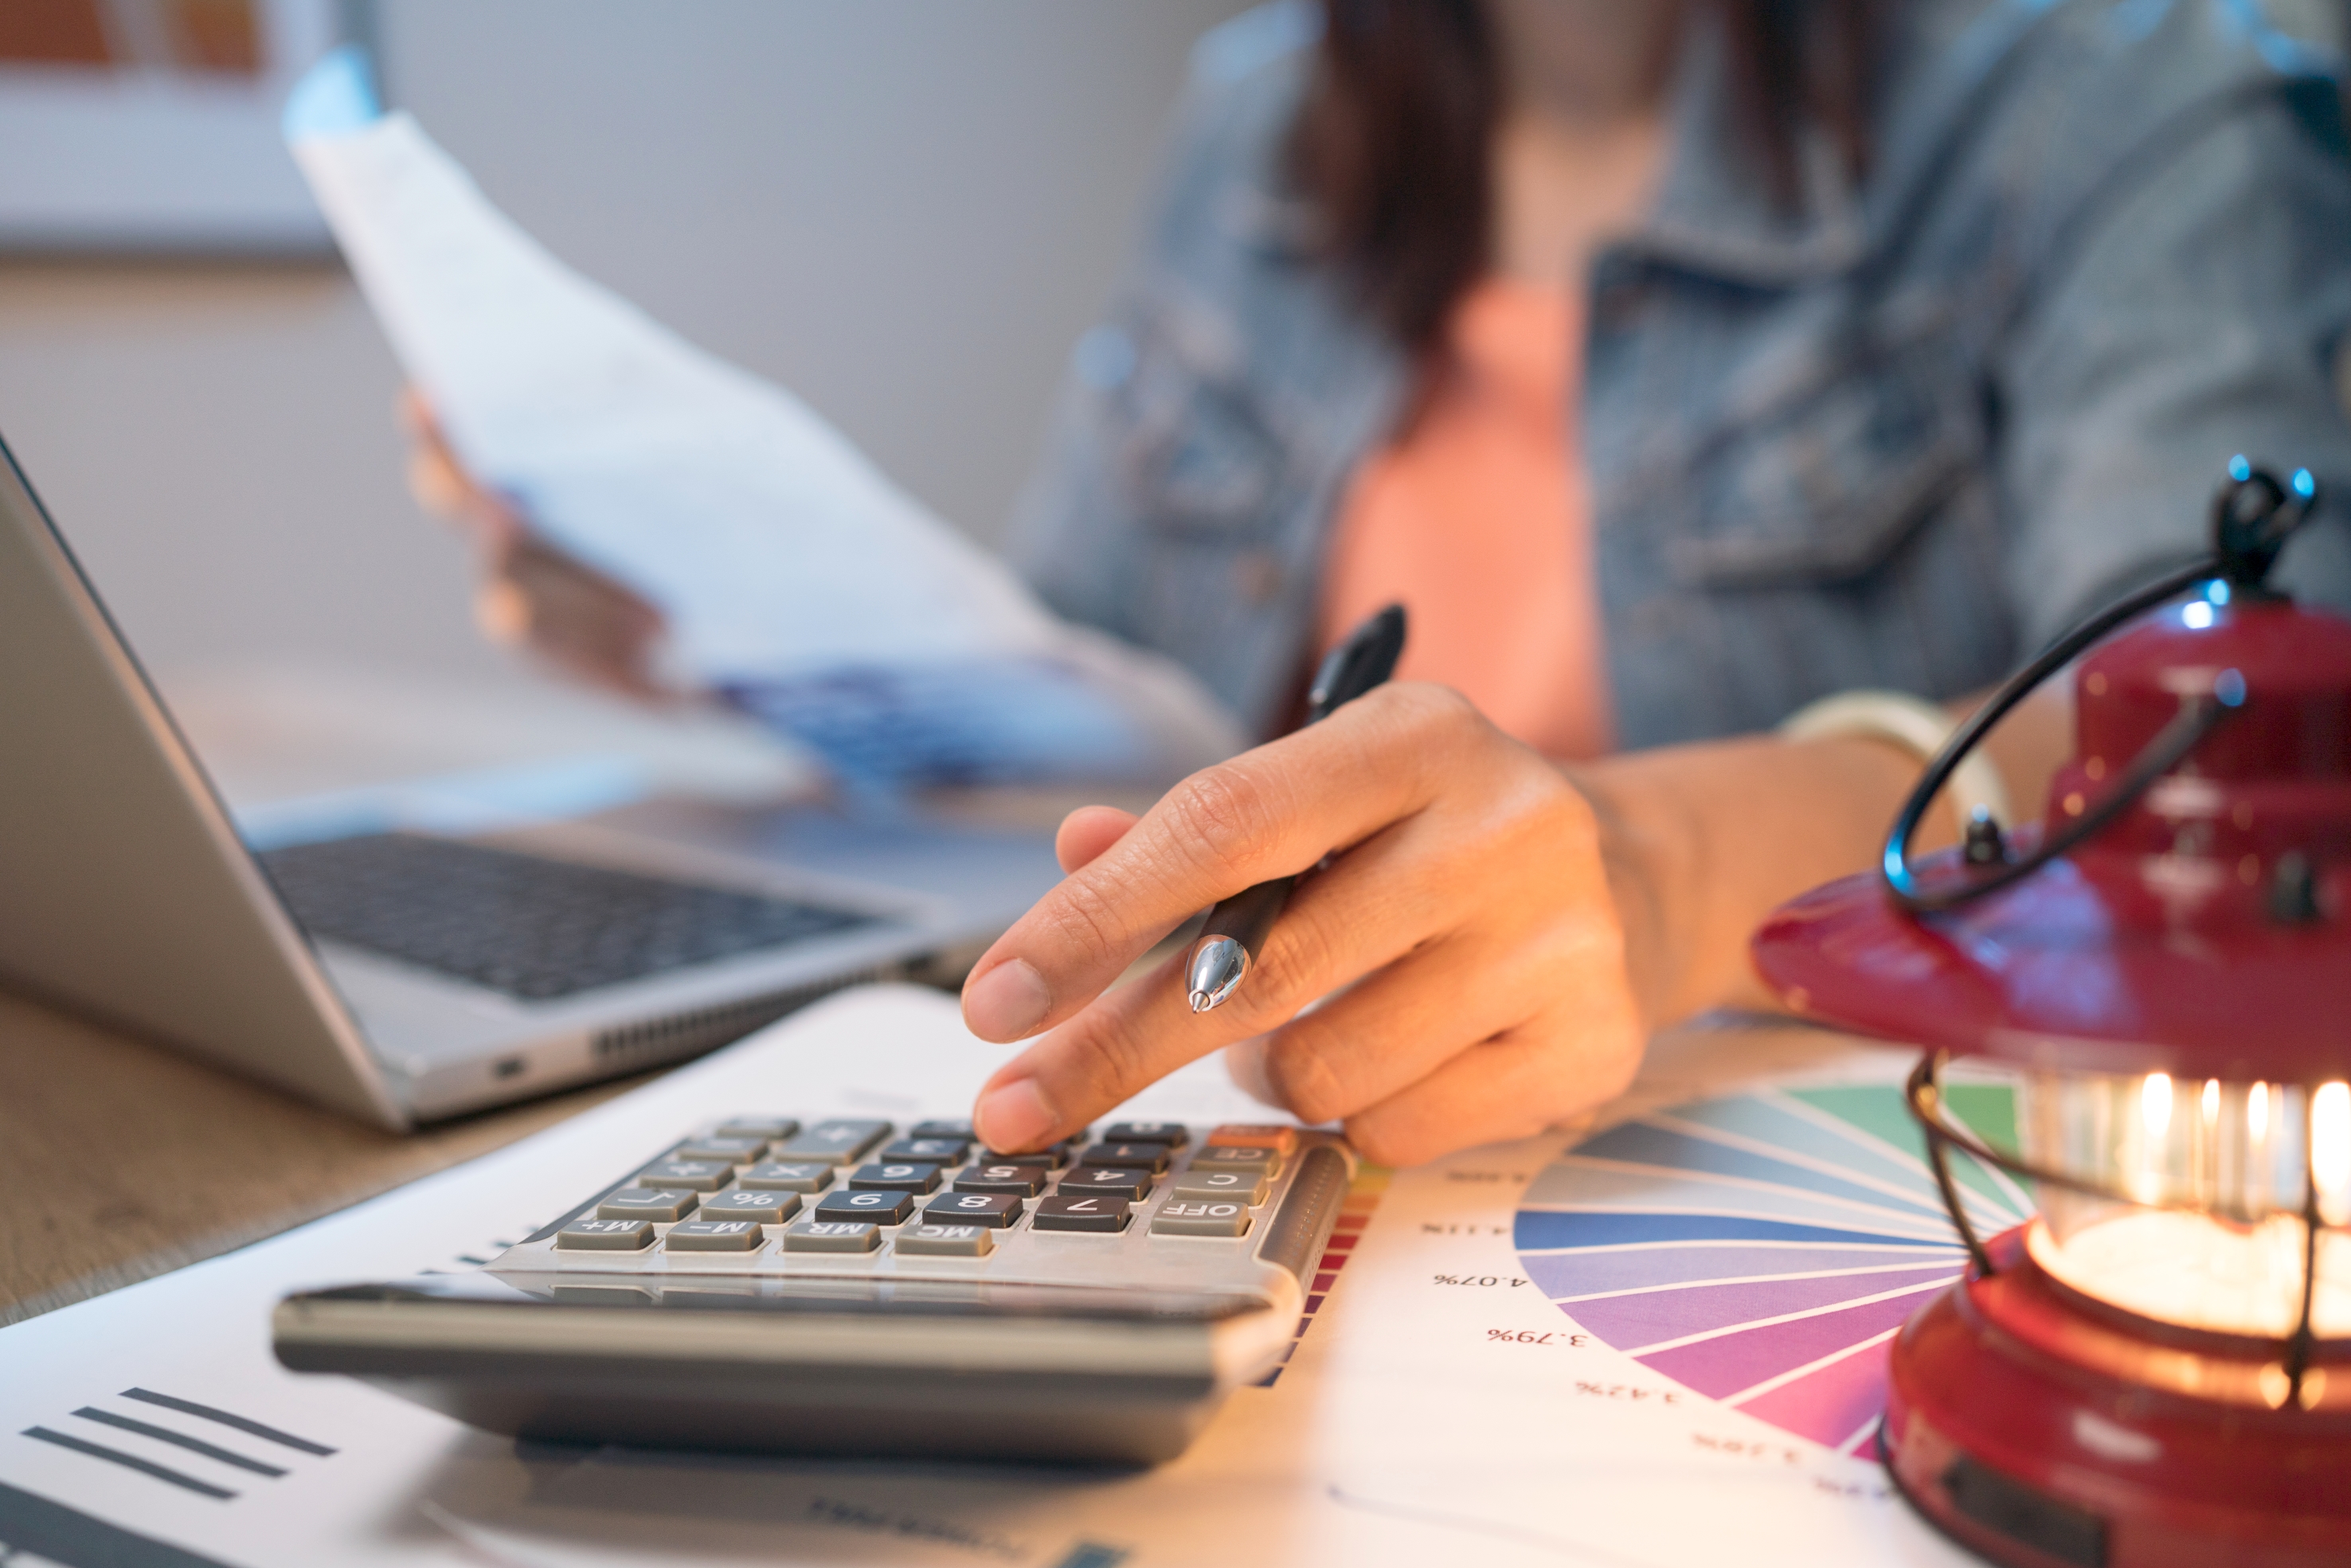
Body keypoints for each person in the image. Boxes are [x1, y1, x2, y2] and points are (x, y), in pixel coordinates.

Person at [407, 0, 2351, 1164]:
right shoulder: (1268, 114)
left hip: (1749, 1234)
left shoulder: (2134, 106)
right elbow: (1095, 708)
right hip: (1263, 1171)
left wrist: (1658, 871)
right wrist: (724, 631)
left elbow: (2220, 773)